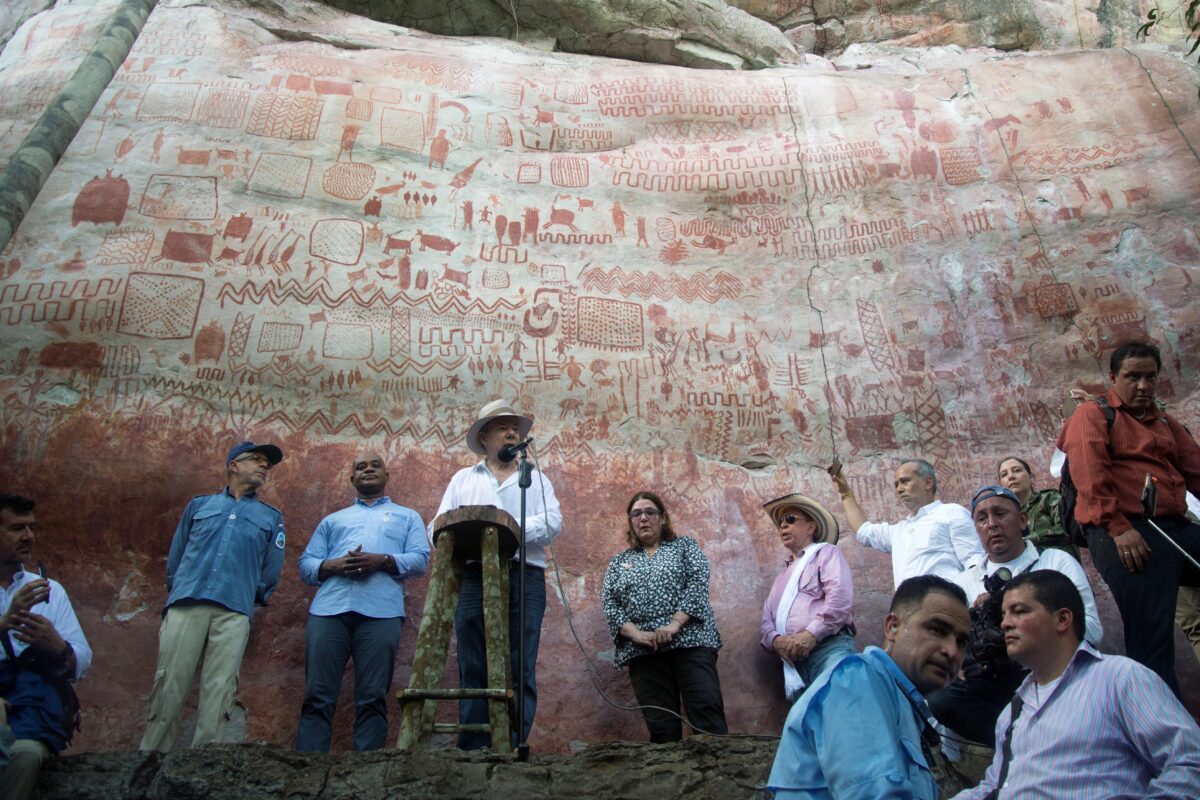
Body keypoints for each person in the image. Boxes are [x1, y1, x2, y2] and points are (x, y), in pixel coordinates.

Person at [953, 571, 1200, 799]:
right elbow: (992, 788)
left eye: (1018, 611)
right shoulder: (1013, 712)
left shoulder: (1120, 678)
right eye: (1003, 615)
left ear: (1062, 619)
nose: (1005, 623)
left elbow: (1189, 762)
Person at [1056, 340, 1200, 694]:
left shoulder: (1165, 421)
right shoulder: (1093, 413)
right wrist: (1119, 528)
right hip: (1123, 531)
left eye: (1150, 377)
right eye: (1132, 377)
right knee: (1152, 639)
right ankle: (1162, 735)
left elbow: (1196, 469)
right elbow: (1090, 473)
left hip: (1174, 526)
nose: (1142, 386)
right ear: (1113, 377)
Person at [431, 399, 563, 749]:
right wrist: (478, 530)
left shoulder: (535, 479)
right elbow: (438, 526)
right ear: (485, 437)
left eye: (515, 429)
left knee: (520, 662)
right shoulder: (462, 479)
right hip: (475, 576)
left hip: (525, 575)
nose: (511, 433)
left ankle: (511, 744)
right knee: (474, 659)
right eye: (502, 428)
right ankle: (474, 747)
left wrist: (507, 527)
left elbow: (553, 522)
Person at [140, 440, 287, 751]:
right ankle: (150, 757)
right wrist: (180, 588)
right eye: (256, 460)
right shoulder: (199, 506)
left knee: (220, 688)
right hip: (187, 603)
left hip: (234, 611)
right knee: (170, 683)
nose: (264, 466)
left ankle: (204, 762)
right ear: (234, 466)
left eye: (267, 463)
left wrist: (248, 595)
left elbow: (270, 570)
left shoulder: (271, 517)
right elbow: (176, 556)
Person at [927, 485, 1102, 746]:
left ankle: (1032, 743)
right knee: (941, 698)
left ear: (1022, 520)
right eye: (982, 519)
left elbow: (1093, 630)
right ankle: (1021, 743)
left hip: (1051, 671)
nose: (992, 524)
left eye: (1001, 514)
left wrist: (1028, 623)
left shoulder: (1054, 561)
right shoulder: (966, 582)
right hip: (996, 682)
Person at [768, 575, 970, 799]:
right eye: (938, 630)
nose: (952, 651)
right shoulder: (857, 680)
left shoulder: (901, 703)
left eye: (962, 642)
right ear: (892, 627)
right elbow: (872, 792)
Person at [295, 451, 429, 751]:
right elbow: (306, 565)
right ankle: (307, 769)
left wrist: (381, 560)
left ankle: (367, 771)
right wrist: (334, 565)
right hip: (329, 610)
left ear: (386, 476)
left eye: (375, 465)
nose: (368, 469)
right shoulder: (333, 520)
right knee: (317, 694)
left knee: (372, 695)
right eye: (360, 467)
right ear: (352, 478)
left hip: (381, 614)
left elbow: (420, 560)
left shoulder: (407, 516)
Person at [601, 491, 727, 742]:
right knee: (662, 728)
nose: (643, 518)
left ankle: (720, 775)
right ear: (631, 521)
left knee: (706, 711)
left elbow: (697, 584)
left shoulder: (684, 547)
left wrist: (674, 624)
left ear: (662, 518)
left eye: (650, 512)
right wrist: (635, 634)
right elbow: (610, 604)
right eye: (636, 514)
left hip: (690, 642)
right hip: (643, 651)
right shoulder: (619, 562)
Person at [0, 495, 92, 800]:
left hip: (29, 710)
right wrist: (5, 622)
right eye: (17, 528)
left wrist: (58, 647)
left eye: (31, 528)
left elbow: (82, 657)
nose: (28, 536)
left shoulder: (50, 590)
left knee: (24, 754)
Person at [758, 493, 855, 701]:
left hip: (828, 650)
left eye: (790, 519)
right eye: (781, 523)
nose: (783, 525)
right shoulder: (781, 579)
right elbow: (766, 622)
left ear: (811, 528)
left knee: (841, 709)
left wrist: (811, 635)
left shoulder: (826, 553)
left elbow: (840, 598)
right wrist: (777, 642)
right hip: (794, 665)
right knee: (809, 727)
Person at [830, 458, 982, 587]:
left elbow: (974, 561)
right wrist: (845, 494)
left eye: (905, 481)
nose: (899, 489)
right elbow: (864, 532)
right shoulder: (900, 530)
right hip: (908, 614)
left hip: (946, 609)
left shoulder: (951, 512)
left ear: (927, 482)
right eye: (896, 484)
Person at [996, 455, 1078, 560]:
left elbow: (1067, 530)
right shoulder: (1005, 518)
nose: (1011, 476)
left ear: (1030, 477)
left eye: (1017, 470)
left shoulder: (1049, 498)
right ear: (1001, 485)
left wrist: (1027, 540)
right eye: (1004, 475)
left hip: (1061, 566)